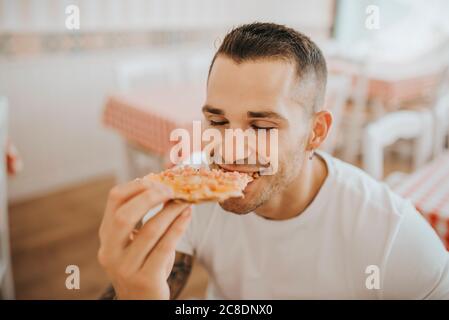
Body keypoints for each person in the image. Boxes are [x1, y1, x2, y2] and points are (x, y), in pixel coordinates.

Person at [97, 22, 449, 300]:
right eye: (218, 121)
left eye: (262, 126)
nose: (230, 151)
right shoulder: (192, 196)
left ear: (316, 132)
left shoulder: (394, 236)